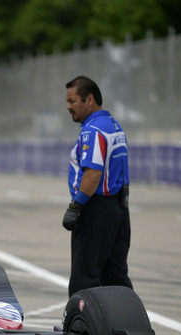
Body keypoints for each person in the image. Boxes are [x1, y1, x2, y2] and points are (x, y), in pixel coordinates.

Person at [62, 75, 132, 297]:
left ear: (89, 99)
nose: (68, 107)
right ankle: (129, 325)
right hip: (119, 208)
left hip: (96, 209)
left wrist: (76, 206)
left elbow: (93, 172)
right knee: (116, 276)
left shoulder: (93, 131)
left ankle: (82, 331)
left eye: (73, 101)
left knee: (84, 280)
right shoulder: (113, 125)